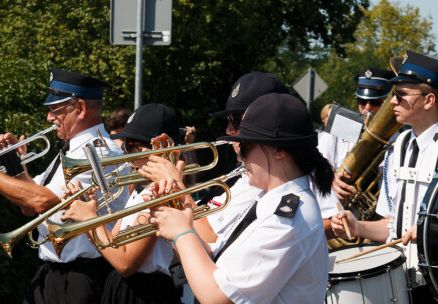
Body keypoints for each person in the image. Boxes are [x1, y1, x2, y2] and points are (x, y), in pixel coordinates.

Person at [148, 93, 334, 303]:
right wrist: (176, 205)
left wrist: (181, 233)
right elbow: (214, 254)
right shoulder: (269, 201)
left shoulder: (287, 220)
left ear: (279, 150)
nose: (239, 156)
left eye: (245, 147)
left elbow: (216, 297)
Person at [0, 68, 130, 303]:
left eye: (55, 110)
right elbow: (29, 207)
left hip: (83, 276)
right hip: (54, 272)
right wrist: (15, 165)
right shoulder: (72, 149)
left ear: (80, 108)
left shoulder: (97, 152)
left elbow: (41, 201)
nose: (49, 118)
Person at [332, 50, 438, 301]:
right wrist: (357, 226)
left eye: (400, 96)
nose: (392, 102)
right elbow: (392, 226)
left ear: (429, 100)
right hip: (403, 280)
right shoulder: (398, 147)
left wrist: (428, 232)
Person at [60, 103, 181, 304]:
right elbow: (113, 246)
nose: (126, 152)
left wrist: (89, 219)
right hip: (124, 288)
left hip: (145, 292)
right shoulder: (142, 190)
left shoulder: (160, 192)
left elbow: (125, 263)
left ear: (161, 148)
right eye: (125, 145)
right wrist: (86, 210)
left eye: (133, 145)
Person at [318, 67, 395, 201]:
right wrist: (330, 179)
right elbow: (316, 167)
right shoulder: (341, 124)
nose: (368, 108)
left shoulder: (397, 135)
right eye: (362, 101)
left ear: (387, 101)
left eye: (375, 102)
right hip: (338, 211)